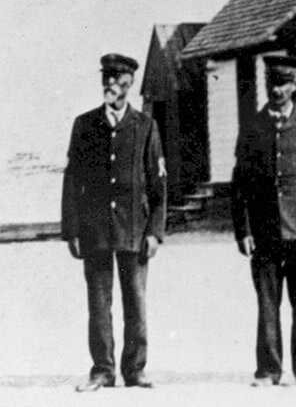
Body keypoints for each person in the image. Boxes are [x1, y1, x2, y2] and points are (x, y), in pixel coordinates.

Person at [62, 53, 167, 392]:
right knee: (98, 304)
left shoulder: (145, 126)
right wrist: (72, 230)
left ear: (129, 84)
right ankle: (103, 371)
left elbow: (157, 183)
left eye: (117, 79)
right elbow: (72, 181)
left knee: (135, 303)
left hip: (134, 229)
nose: (110, 84)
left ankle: (135, 370)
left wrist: (155, 231)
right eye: (106, 78)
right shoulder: (84, 125)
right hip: (95, 231)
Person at [231, 55, 296, 389]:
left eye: (285, 84)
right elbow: (240, 183)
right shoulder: (251, 126)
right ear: (266, 85)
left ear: (295, 86)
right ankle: (268, 369)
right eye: (273, 83)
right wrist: (243, 229)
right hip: (263, 230)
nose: (278, 90)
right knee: (267, 303)